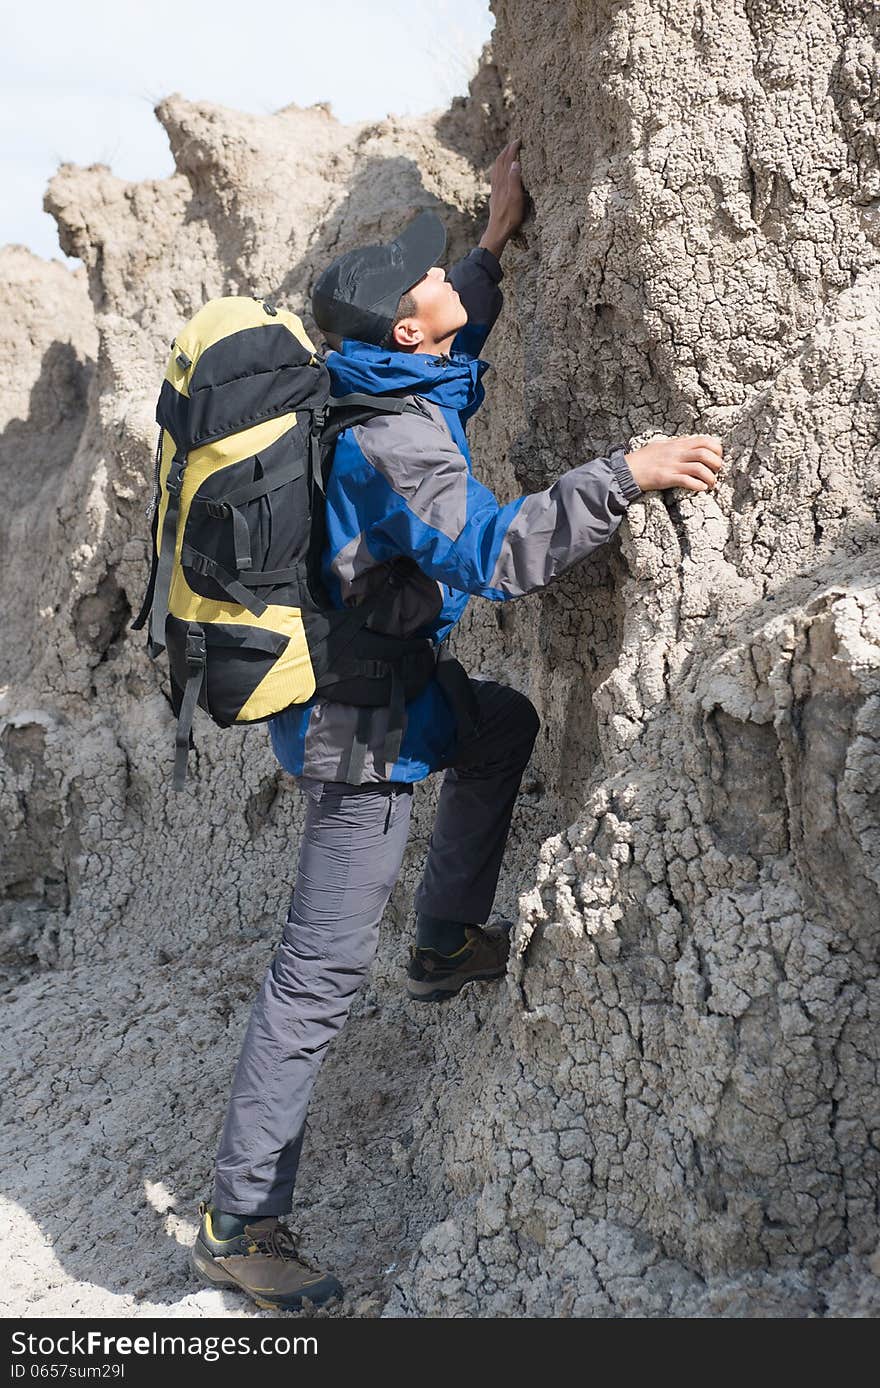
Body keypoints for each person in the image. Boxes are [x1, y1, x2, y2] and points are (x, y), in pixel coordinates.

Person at [190, 139, 724, 1311]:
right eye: (422, 284)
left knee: (502, 726)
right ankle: (240, 1215)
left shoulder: (366, 379)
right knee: (318, 971)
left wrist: (490, 239)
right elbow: (495, 553)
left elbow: (449, 339)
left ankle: (443, 941)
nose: (432, 282)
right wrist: (621, 474)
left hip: (394, 680)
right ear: (402, 335)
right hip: (358, 726)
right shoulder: (396, 442)